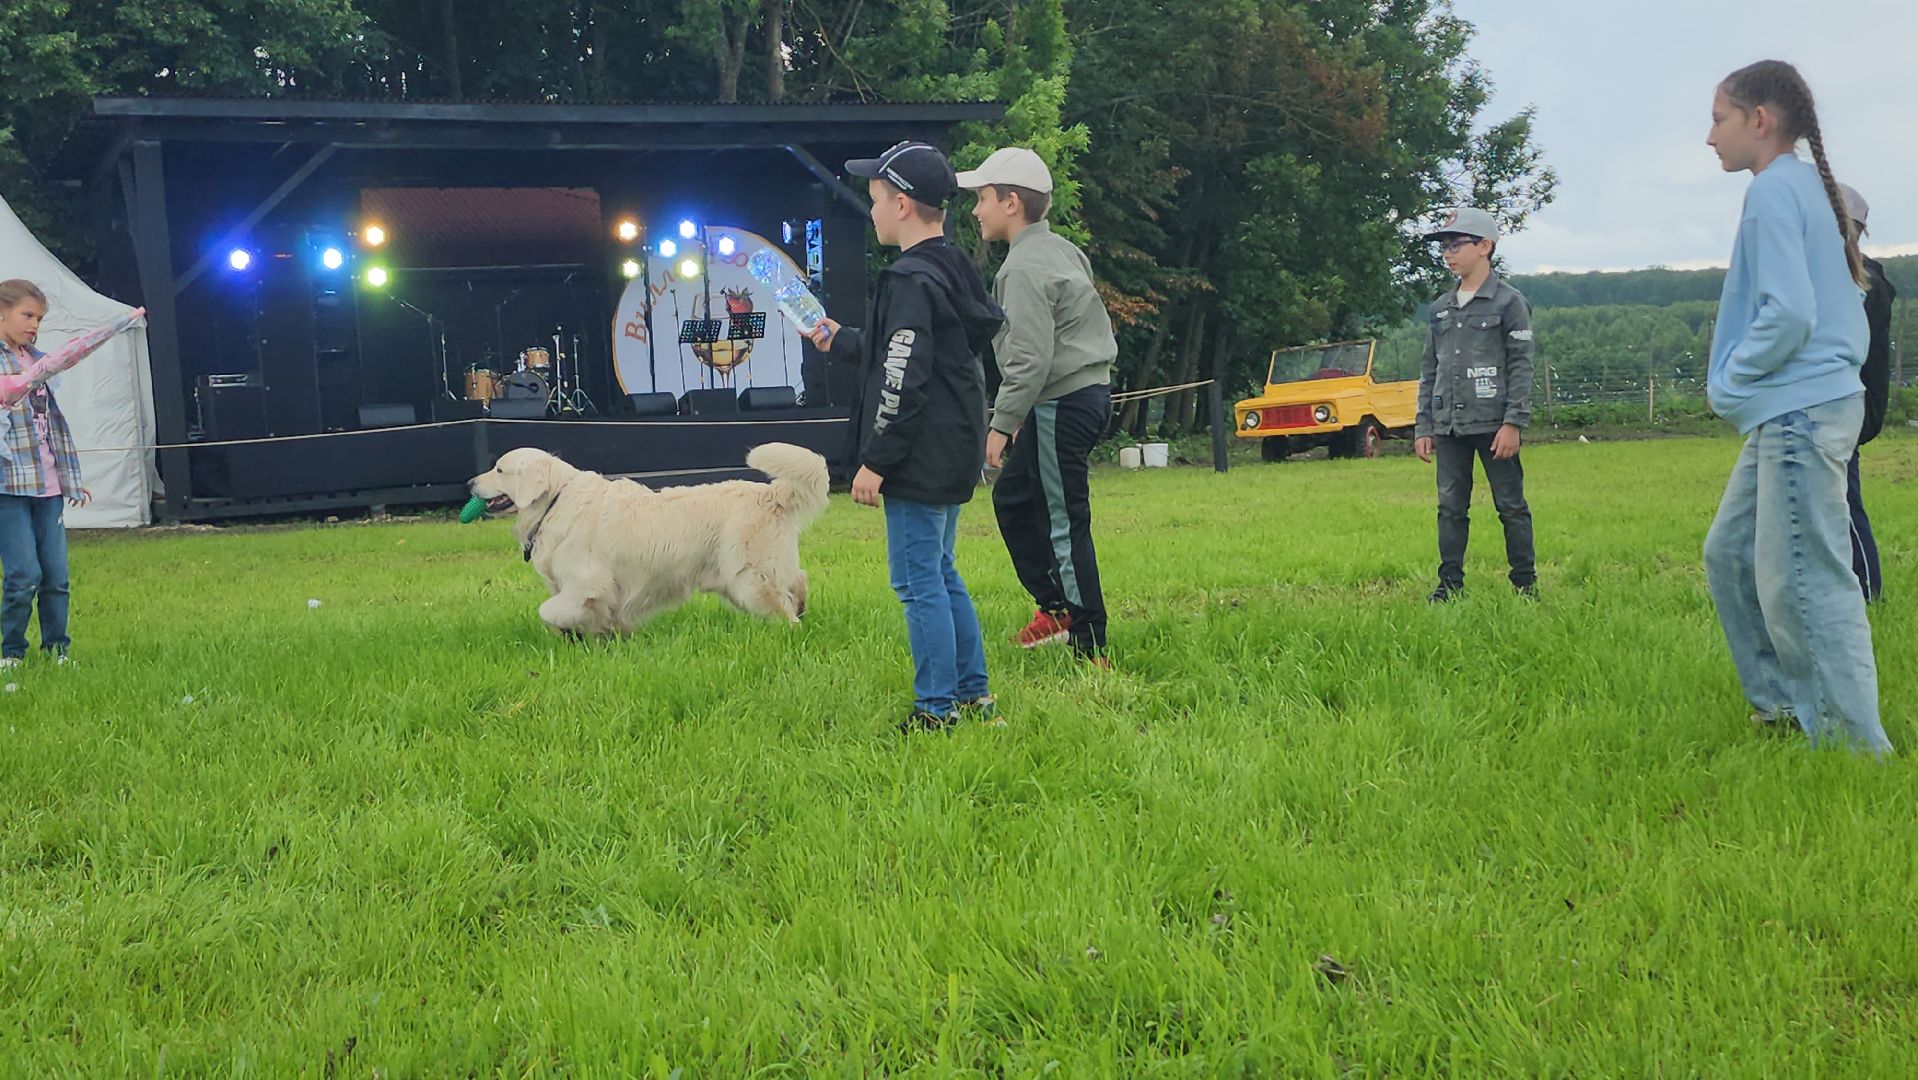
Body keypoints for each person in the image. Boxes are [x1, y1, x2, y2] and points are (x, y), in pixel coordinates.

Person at [1701, 60, 1888, 753]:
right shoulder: (1808, 186)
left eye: (1719, 118)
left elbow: (1790, 315)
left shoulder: (1776, 191)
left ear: (1760, 121)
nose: (1709, 136)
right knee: (1729, 555)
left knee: (1806, 582)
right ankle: (1781, 706)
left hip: (1799, 412)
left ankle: (1852, 745)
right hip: (1805, 408)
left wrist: (1730, 381)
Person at [808, 141, 1007, 732]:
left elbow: (902, 377)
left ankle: (936, 710)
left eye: (873, 201)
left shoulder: (909, 279)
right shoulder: (950, 267)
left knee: (917, 582)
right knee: (942, 572)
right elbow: (911, 350)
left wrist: (875, 460)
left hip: (918, 454)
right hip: (953, 447)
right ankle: (975, 697)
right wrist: (843, 340)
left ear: (900, 205)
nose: (870, 213)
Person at [957, 147, 1117, 661]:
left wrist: (1001, 426)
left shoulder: (1021, 269)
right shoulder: (1063, 250)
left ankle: (1089, 644)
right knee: (1014, 501)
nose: (976, 210)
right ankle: (1055, 607)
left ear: (1010, 202)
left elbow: (1029, 357)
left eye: (982, 198)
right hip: (1082, 395)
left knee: (1065, 521)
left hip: (1060, 403)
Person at [1413, 207, 1537, 603]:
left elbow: (1521, 364)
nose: (1448, 254)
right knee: (1450, 507)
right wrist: (1424, 425)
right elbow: (1429, 368)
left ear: (1485, 246)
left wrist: (1514, 422)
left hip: (1494, 424)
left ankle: (1524, 585)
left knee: (1511, 506)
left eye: (1456, 245)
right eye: (1444, 247)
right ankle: (1449, 586)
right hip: (1448, 427)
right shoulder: (1440, 309)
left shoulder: (1509, 303)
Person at [0, 279, 90, 669]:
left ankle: (57, 650)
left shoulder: (41, 361)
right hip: (8, 486)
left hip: (48, 486)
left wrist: (70, 477)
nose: (34, 324)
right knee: (23, 575)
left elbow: (52, 424)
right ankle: (11, 652)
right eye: (27, 315)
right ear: (1, 312)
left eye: (38, 318)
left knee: (56, 575)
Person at [1835, 183, 1896, 603]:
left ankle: (1869, 591)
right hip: (1846, 403)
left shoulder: (1862, 282)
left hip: (1850, 406)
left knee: (1844, 500)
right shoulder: (1855, 276)